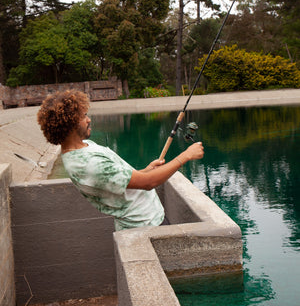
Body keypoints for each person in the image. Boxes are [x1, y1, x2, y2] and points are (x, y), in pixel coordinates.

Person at [37, 89, 204, 231]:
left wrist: (145, 170)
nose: (89, 119)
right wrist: (185, 156)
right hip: (144, 227)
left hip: (149, 219)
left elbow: (121, 179)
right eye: (83, 117)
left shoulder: (85, 146)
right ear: (70, 124)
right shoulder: (88, 164)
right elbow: (148, 183)